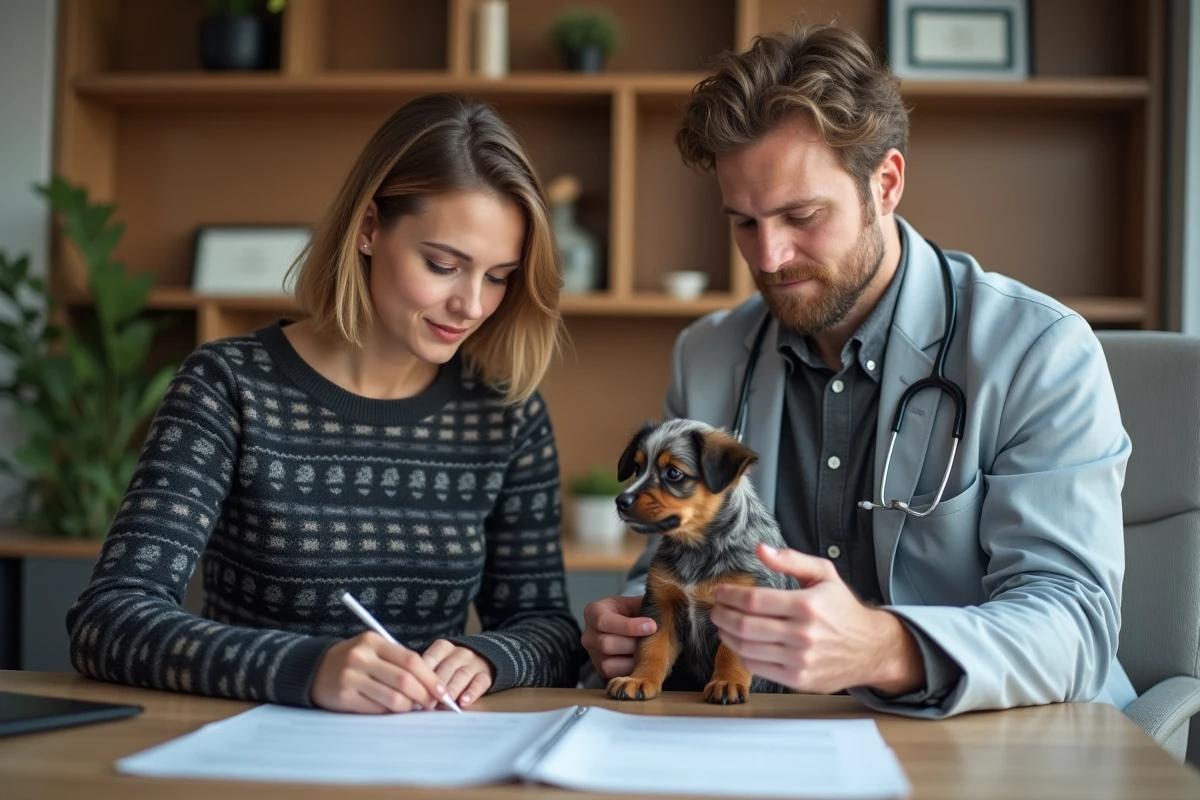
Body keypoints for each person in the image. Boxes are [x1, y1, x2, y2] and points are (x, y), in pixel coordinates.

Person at [581, 26, 1136, 718]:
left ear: (887, 184)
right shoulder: (710, 352)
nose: (771, 256)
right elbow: (675, 560)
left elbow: (1076, 623)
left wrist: (888, 648)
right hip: (770, 732)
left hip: (991, 739)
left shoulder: (1039, 351)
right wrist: (632, 626)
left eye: (800, 215)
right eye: (744, 222)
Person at [67, 93, 584, 713]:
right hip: (253, 750)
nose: (472, 305)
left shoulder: (506, 415)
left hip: (429, 761)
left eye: (499, 276)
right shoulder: (229, 385)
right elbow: (109, 619)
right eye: (444, 265)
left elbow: (548, 627)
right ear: (369, 228)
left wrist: (491, 657)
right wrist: (305, 669)